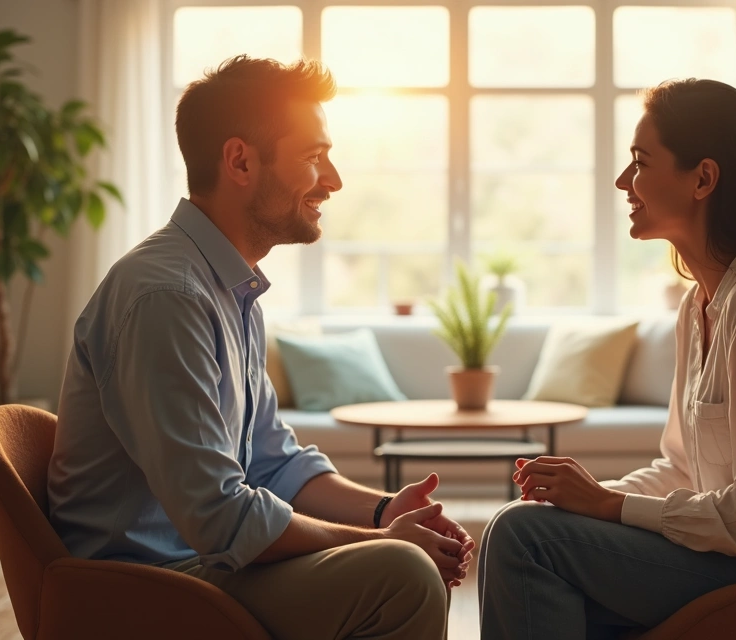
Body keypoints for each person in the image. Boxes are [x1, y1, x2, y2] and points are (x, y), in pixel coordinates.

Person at [49, 56, 472, 640]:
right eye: (312, 156)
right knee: (400, 572)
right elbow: (223, 519)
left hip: (201, 565)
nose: (334, 180)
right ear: (241, 160)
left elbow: (273, 462)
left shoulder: (230, 288)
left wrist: (383, 511)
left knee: (398, 559)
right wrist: (383, 542)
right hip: (144, 588)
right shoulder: (166, 297)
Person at [476, 78, 736, 639]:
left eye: (640, 162)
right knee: (540, 546)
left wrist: (605, 506)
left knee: (525, 539)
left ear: (703, 178)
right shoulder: (700, 305)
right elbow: (681, 468)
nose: (624, 181)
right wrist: (588, 501)